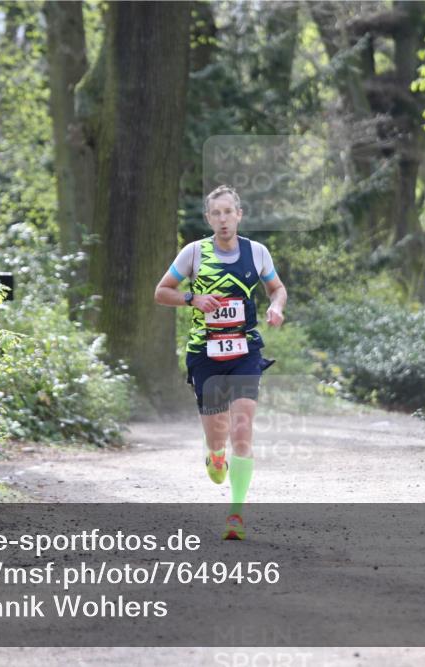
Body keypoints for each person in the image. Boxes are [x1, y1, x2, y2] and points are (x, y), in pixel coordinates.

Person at [154, 185, 287, 540]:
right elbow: (161, 291)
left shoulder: (256, 252)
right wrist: (192, 298)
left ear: (239, 215)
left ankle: (236, 514)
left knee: (242, 429)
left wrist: (276, 306)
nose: (223, 219)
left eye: (229, 212)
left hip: (245, 352)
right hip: (206, 355)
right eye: (216, 213)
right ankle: (215, 456)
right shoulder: (194, 253)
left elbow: (277, 288)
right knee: (218, 436)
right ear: (209, 218)